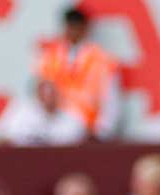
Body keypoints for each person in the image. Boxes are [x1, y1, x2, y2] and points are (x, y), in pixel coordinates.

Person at [33, 6, 120, 138]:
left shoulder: (102, 59)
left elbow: (111, 100)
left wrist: (101, 131)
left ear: (84, 28)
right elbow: (41, 92)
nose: (72, 31)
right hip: (56, 127)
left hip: (87, 129)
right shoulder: (50, 57)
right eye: (69, 26)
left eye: (76, 26)